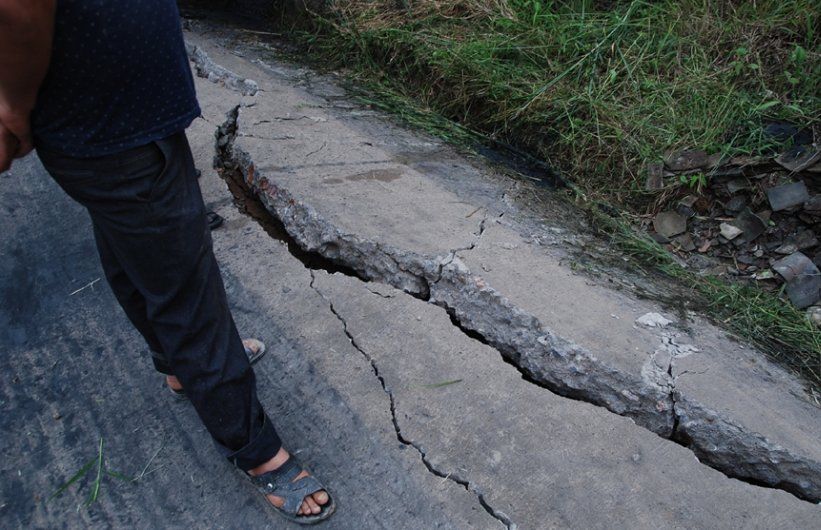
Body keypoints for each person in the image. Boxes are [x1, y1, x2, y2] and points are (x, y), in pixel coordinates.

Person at [0, 0, 334, 524]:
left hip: (119, 123)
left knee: (133, 248)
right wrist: (12, 106)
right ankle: (256, 450)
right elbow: (18, 11)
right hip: (111, 128)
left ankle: (179, 367)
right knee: (188, 294)